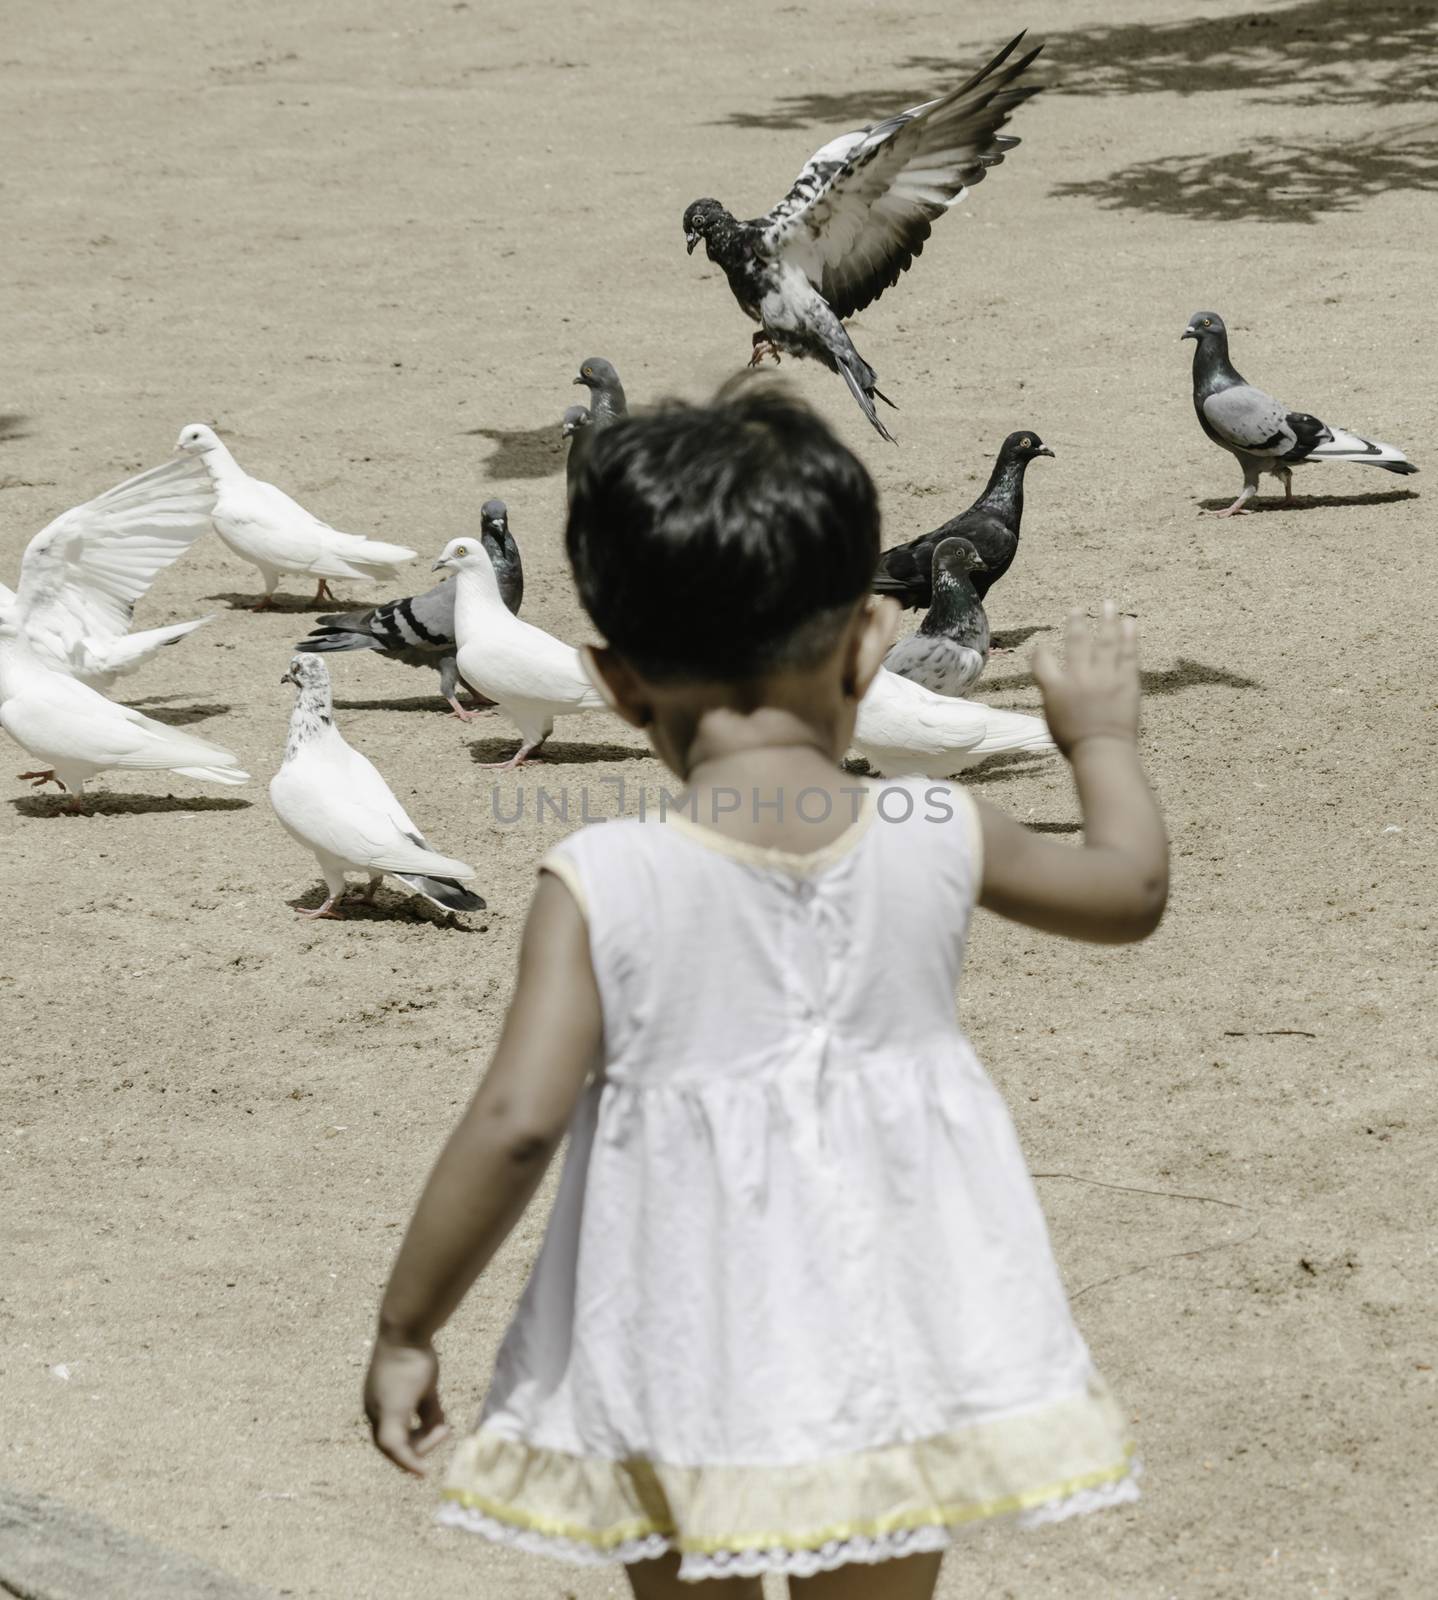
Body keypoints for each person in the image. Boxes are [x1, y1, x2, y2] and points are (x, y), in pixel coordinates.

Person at [364, 385, 1169, 1599]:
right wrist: (1099, 739)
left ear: (615, 682)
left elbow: (516, 1121)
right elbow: (1125, 891)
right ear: (864, 642)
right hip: (889, 1305)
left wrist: (406, 1326)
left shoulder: (604, 878)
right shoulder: (935, 824)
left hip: (675, 1310)